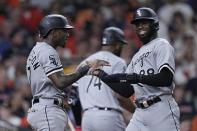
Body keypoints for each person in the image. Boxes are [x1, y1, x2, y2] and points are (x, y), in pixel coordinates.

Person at [91, 7, 181, 131]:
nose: (139, 27)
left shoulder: (161, 44)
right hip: (140, 112)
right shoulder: (136, 56)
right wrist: (103, 76)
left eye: (144, 23)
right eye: (137, 24)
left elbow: (166, 78)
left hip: (161, 109)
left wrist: (138, 78)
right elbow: (127, 90)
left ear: (154, 24)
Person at [26, 14, 109, 131]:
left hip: (42, 108)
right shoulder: (48, 51)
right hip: (48, 110)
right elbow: (61, 81)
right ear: (53, 32)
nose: (67, 34)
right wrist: (85, 69)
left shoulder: (36, 50)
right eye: (64, 31)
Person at [71, 27, 135, 131]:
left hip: (87, 118)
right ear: (118, 45)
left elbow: (73, 99)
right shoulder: (118, 61)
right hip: (108, 117)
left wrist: (78, 125)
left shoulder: (83, 63)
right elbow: (120, 96)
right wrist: (136, 111)